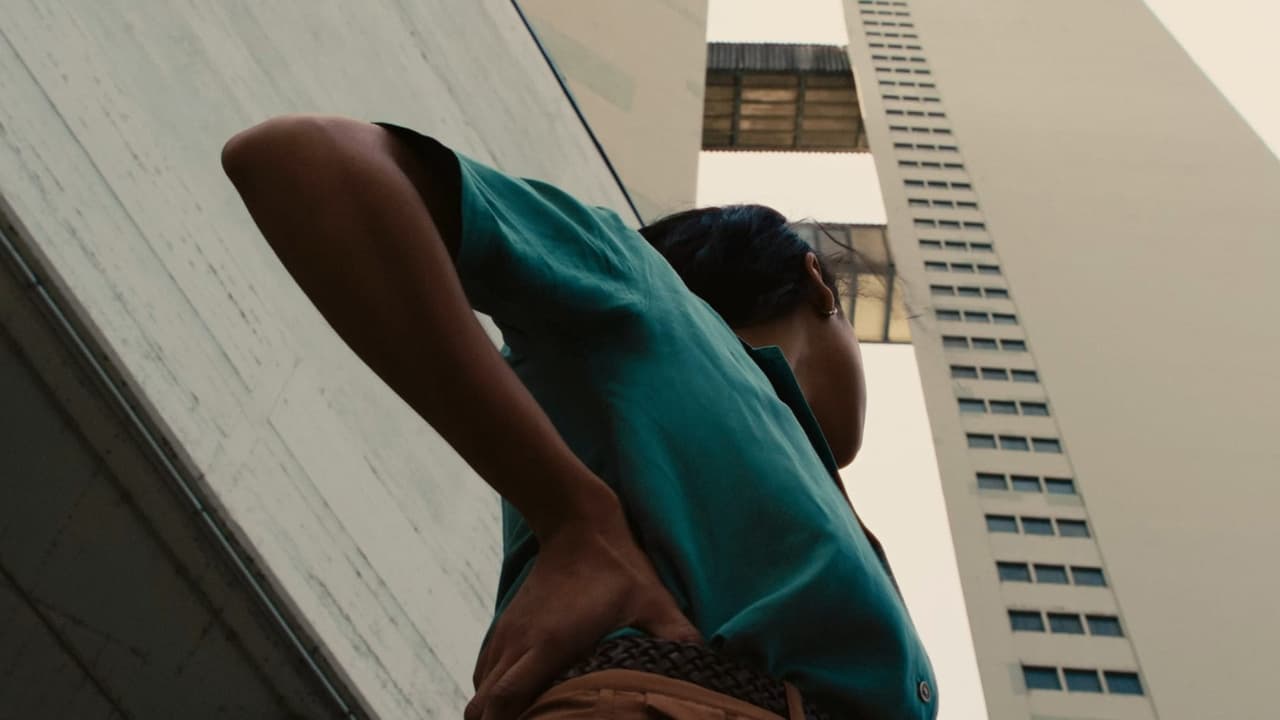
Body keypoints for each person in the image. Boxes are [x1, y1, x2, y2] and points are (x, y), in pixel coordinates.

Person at [221, 115, 937, 720]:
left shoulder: (797, 470)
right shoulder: (643, 287)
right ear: (817, 281)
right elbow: (305, 158)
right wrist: (575, 517)